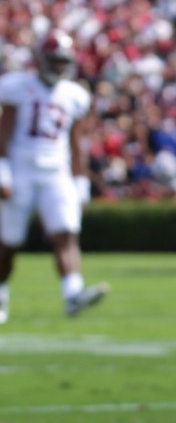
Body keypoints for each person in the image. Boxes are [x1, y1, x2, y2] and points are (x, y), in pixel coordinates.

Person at [0, 30, 109, 321]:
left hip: (56, 172)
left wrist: (81, 181)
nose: (59, 67)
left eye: (63, 61)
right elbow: (3, 133)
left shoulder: (74, 95)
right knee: (8, 242)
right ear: (41, 60)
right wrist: (3, 173)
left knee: (66, 233)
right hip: (21, 168)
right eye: (55, 61)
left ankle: (73, 294)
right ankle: (0, 295)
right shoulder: (17, 86)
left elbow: (77, 144)